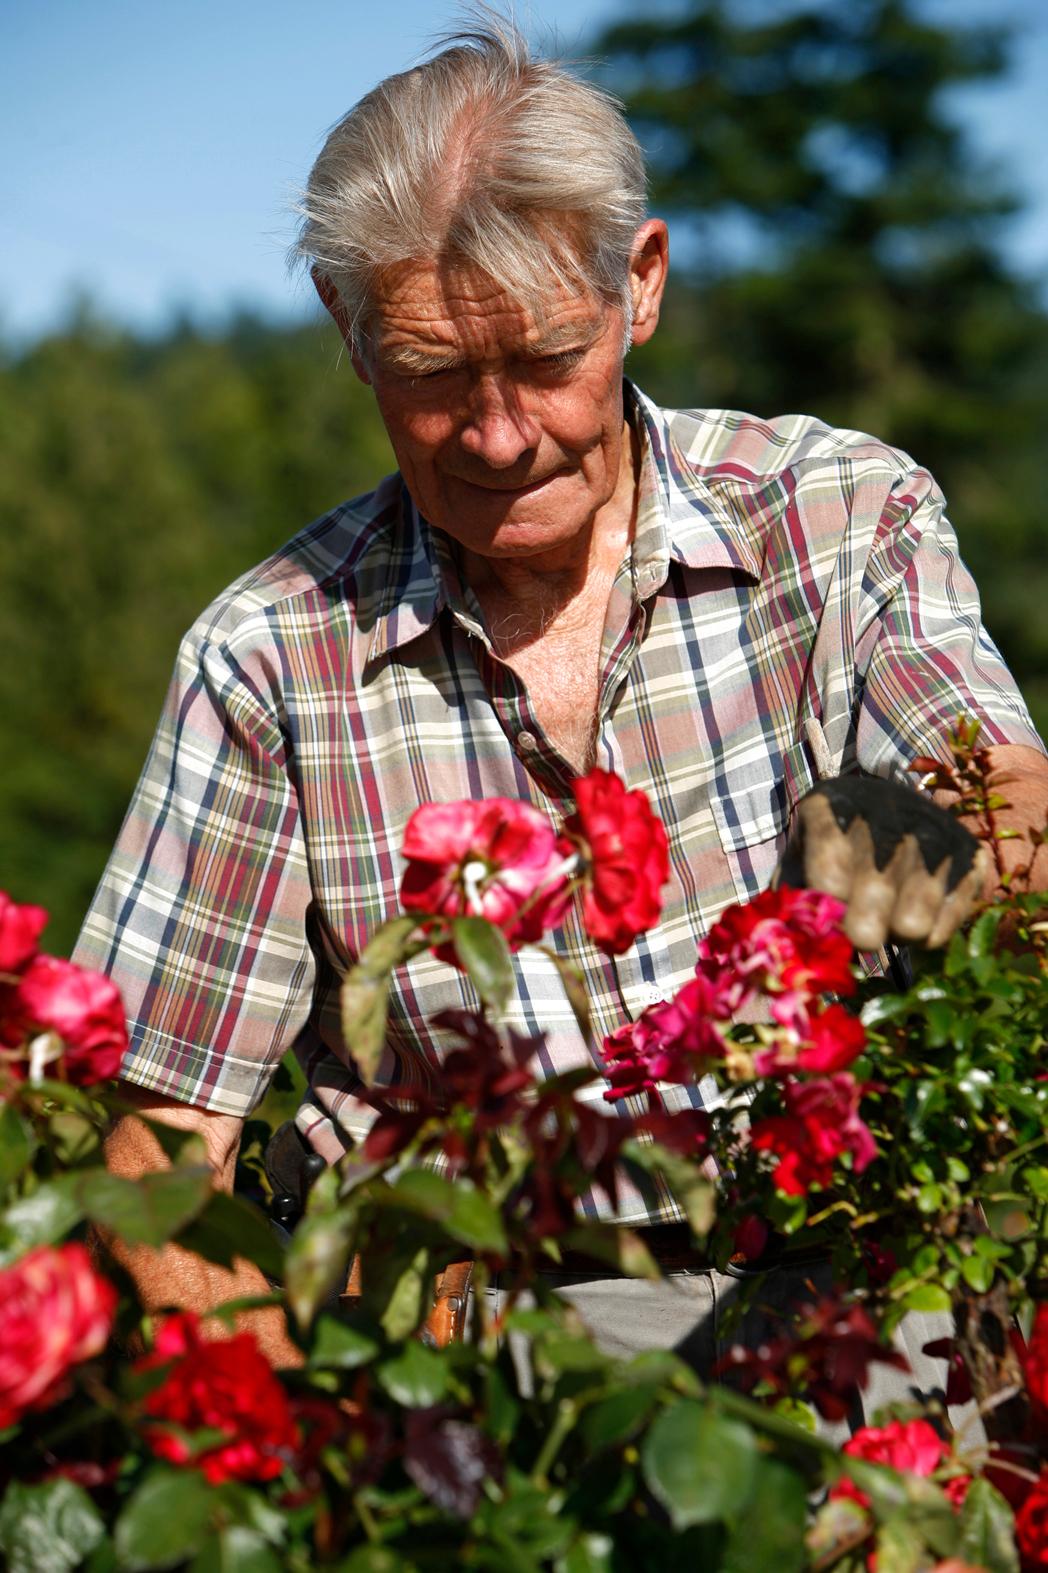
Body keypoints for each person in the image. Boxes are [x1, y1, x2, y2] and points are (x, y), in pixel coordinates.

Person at [77, 19, 1048, 1377]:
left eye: (543, 358)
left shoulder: (835, 529)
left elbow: (994, 834)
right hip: (466, 1363)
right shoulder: (270, 659)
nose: (496, 431)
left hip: (861, 1311)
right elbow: (162, 1151)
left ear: (639, 285)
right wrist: (303, 1465)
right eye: (429, 375)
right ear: (350, 340)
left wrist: (968, 888)